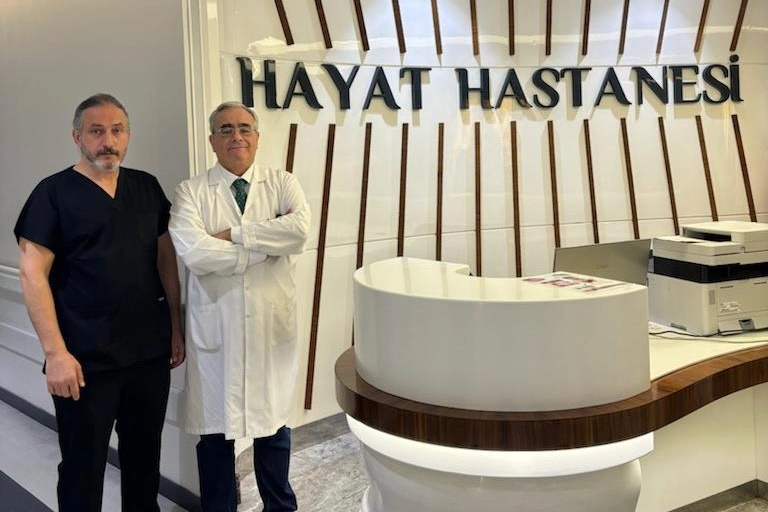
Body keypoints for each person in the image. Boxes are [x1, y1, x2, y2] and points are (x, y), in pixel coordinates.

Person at [14, 93, 185, 512]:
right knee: (83, 467)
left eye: (117, 130)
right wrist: (55, 354)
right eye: (96, 131)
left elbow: (165, 258)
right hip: (83, 361)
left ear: (128, 135)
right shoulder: (53, 194)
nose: (108, 141)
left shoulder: (145, 187)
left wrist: (175, 328)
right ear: (77, 137)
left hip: (147, 354)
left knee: (144, 461)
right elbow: (32, 274)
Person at [169, 101, 310, 512]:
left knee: (274, 429)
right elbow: (195, 253)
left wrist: (233, 234)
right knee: (215, 435)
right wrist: (263, 248)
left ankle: (280, 508)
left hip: (269, 327)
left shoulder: (282, 182)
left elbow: (299, 231)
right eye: (226, 129)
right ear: (212, 140)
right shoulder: (190, 191)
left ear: (257, 137)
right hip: (217, 330)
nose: (237, 137)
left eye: (245, 128)